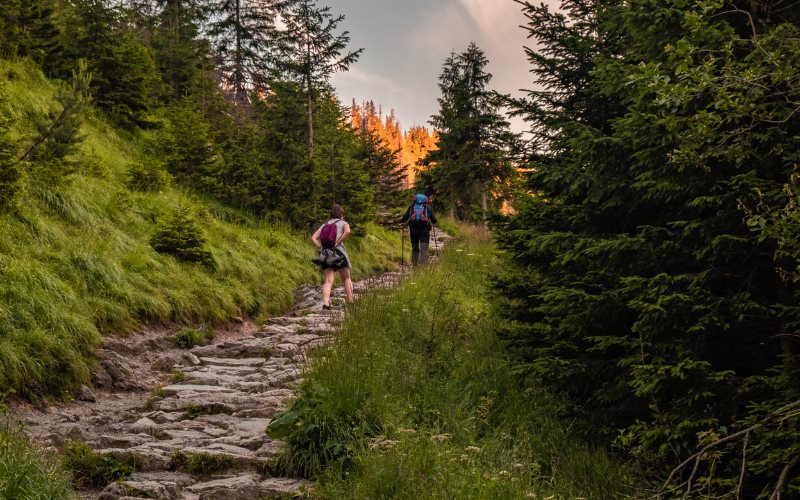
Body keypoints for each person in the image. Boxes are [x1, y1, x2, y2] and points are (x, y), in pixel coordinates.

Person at [311, 204, 354, 310]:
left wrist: (322, 247)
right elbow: (348, 231)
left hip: (326, 254)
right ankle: (351, 301)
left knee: (328, 280)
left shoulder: (324, 225)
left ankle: (325, 304)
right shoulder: (343, 223)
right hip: (339, 253)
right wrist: (338, 242)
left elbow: (313, 238)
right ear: (341, 214)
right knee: (347, 278)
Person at [402, 193, 437, 266]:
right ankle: (424, 267)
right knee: (424, 248)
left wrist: (402, 220)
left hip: (413, 230)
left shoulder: (412, 206)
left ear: (415, 200)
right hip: (424, 230)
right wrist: (432, 220)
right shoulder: (428, 207)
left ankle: (415, 266)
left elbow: (404, 218)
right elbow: (434, 220)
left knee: (415, 248)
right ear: (425, 200)